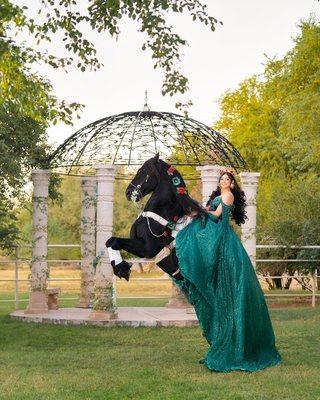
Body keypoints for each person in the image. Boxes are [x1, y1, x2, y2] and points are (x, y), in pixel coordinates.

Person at [174, 168, 282, 373]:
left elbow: (216, 216)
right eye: (222, 179)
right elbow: (210, 211)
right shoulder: (219, 194)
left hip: (224, 240)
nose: (224, 181)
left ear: (232, 184)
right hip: (220, 236)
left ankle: (236, 342)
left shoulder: (228, 195)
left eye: (227, 179)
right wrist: (197, 209)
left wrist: (201, 210)